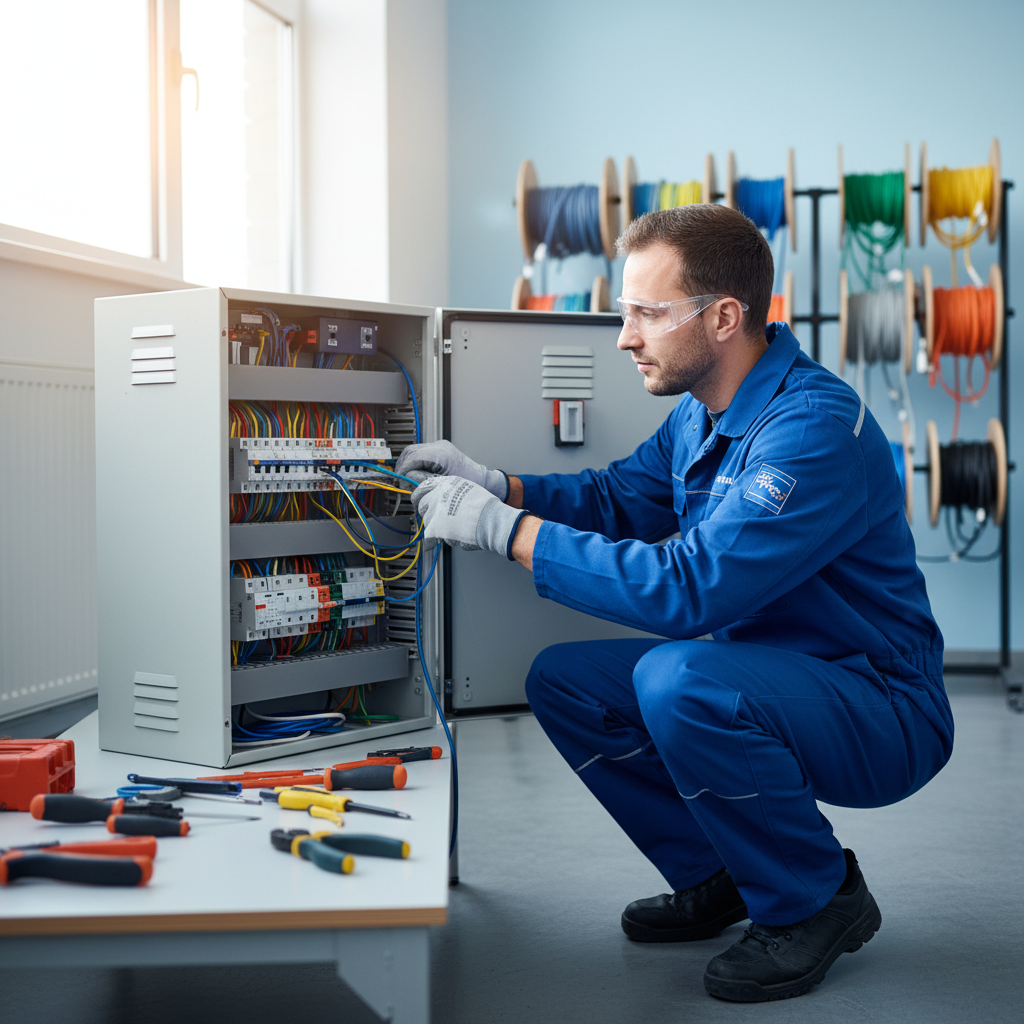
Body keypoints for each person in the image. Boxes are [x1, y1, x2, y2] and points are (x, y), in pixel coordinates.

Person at [396, 203, 952, 1003]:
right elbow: (619, 497)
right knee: (566, 681)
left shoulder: (811, 431)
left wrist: (506, 534)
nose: (626, 337)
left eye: (648, 314)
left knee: (679, 678)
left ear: (725, 317)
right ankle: (721, 871)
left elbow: (690, 589)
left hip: (881, 706)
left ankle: (817, 897)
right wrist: (496, 486)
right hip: (773, 676)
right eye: (628, 313)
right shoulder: (701, 414)